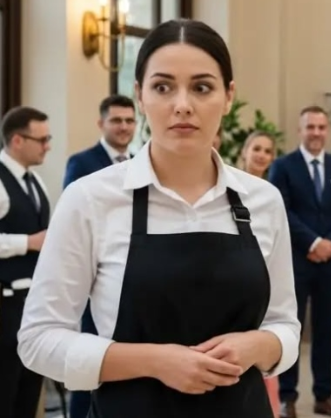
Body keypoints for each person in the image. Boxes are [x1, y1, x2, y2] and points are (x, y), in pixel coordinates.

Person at [16, 19, 301, 418]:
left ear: (229, 96)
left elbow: (285, 325)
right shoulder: (90, 199)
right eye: (163, 87)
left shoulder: (264, 200)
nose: (182, 104)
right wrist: (155, 361)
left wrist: (259, 345)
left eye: (202, 87)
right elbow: (38, 340)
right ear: (140, 95)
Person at [268, 106, 331, 418]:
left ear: (327, 130)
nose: (316, 133)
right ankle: (287, 397)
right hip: (296, 261)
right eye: (310, 127)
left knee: (325, 330)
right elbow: (281, 210)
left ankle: (324, 395)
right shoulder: (283, 166)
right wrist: (313, 242)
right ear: (300, 130)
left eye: (321, 127)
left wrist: (330, 242)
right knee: (291, 329)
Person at [63, 94, 137, 418]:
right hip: (97, 272)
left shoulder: (140, 162)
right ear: (101, 123)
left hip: (135, 271)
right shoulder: (82, 162)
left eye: (129, 120)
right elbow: (74, 222)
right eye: (116, 120)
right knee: (91, 359)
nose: (124, 127)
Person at [0, 105, 51, 418]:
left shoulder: (35, 181)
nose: (48, 146)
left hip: (33, 303)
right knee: (5, 389)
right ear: (18, 140)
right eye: (42, 140)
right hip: (5, 303)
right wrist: (28, 243)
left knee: (28, 389)